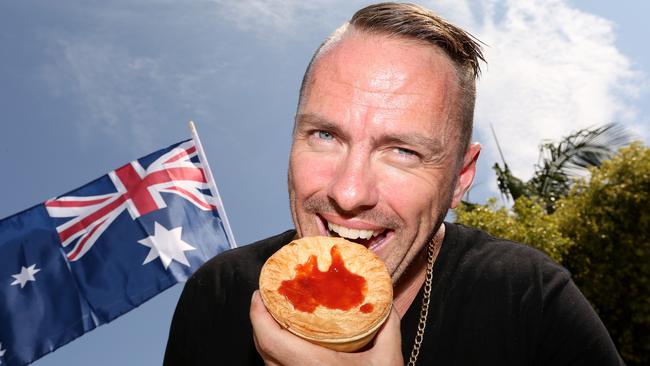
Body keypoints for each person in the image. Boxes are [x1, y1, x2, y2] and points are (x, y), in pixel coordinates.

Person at [164, 3, 624, 365]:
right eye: (325, 135)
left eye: (403, 151)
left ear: (461, 178)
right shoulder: (217, 293)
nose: (348, 193)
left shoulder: (527, 297)